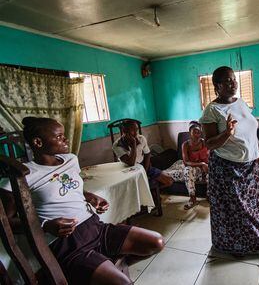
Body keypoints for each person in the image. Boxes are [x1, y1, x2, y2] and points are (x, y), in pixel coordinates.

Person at [0, 117, 165, 284]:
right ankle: (96, 270)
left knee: (156, 242)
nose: (65, 139)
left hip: (95, 228)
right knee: (123, 283)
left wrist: (91, 197)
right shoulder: (22, 177)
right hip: (67, 244)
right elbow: (6, 222)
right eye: (59, 136)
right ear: (38, 142)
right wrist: (46, 225)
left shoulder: (71, 159)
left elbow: (70, 187)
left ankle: (102, 269)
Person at [199, 66, 259, 256]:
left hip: (250, 167)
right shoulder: (212, 110)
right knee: (235, 212)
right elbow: (209, 145)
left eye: (234, 79)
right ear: (217, 86)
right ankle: (234, 246)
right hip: (227, 169)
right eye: (227, 81)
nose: (233, 83)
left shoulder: (241, 103)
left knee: (255, 208)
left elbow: (252, 134)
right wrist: (226, 133)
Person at [112, 120, 173, 188]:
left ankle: (152, 189)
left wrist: (145, 171)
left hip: (143, 166)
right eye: (132, 130)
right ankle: (149, 190)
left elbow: (147, 154)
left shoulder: (141, 138)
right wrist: (134, 145)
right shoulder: (117, 145)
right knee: (142, 186)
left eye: (136, 130)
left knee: (169, 181)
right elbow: (131, 163)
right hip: (129, 171)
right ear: (124, 131)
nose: (136, 133)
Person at [164, 121, 209, 210]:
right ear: (189, 132)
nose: (197, 134)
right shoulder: (186, 145)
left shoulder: (204, 142)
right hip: (193, 167)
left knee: (213, 172)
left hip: (205, 168)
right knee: (187, 170)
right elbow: (186, 161)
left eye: (199, 132)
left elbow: (210, 157)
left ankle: (210, 195)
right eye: (194, 132)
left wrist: (206, 165)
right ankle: (192, 198)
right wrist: (202, 164)